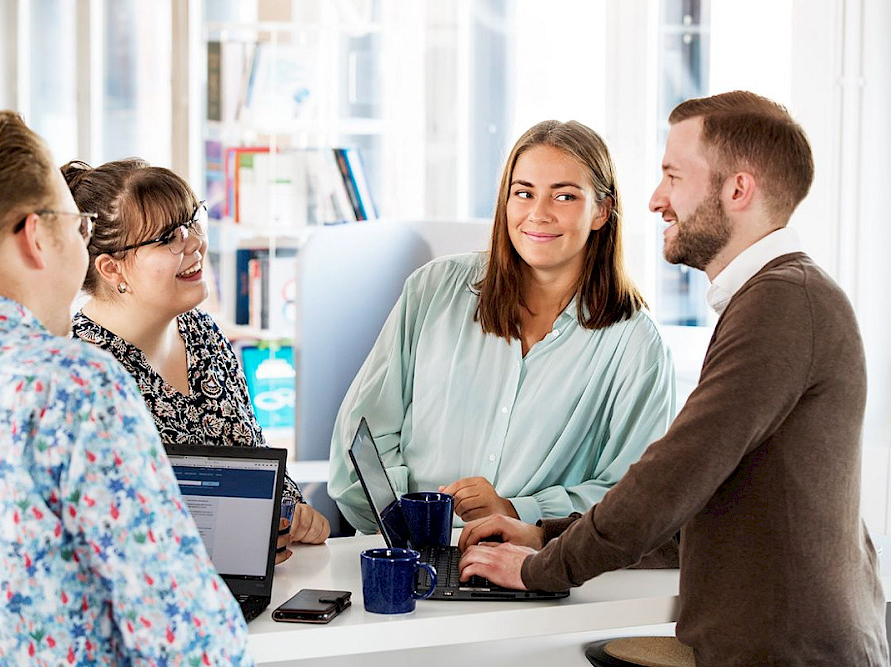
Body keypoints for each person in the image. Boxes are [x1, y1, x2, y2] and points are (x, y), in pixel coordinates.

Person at [458, 91, 889, 666]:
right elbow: (704, 499)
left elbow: (674, 476)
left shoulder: (783, 305)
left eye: (673, 176)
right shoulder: (775, 298)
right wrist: (548, 534)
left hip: (788, 651)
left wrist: (543, 569)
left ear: (738, 190)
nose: (657, 199)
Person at [0, 111, 250, 664]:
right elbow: (190, 638)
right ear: (38, 236)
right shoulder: (74, 388)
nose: (83, 247)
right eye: (77, 226)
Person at [328, 120, 676, 533]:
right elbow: (363, 434)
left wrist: (516, 510)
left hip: (538, 570)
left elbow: (633, 495)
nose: (538, 214)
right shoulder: (434, 290)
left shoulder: (635, 344)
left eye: (564, 196)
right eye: (523, 193)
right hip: (407, 555)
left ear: (601, 211)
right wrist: (415, 517)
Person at [63, 159, 330, 557]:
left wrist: (294, 512)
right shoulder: (83, 374)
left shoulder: (201, 331)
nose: (194, 244)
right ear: (111, 267)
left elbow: (255, 460)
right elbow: (106, 538)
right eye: (168, 237)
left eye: (192, 221)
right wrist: (235, 542)